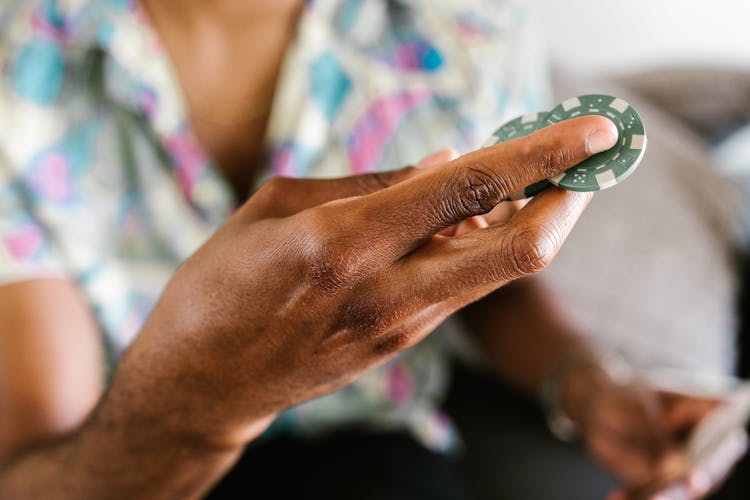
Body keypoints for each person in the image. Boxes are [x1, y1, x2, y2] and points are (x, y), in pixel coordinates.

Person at [0, 1, 729, 498]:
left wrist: (584, 384)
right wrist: (200, 410)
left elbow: (480, 270)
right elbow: (43, 459)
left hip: (377, 451)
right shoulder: (18, 63)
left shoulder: (468, 23)